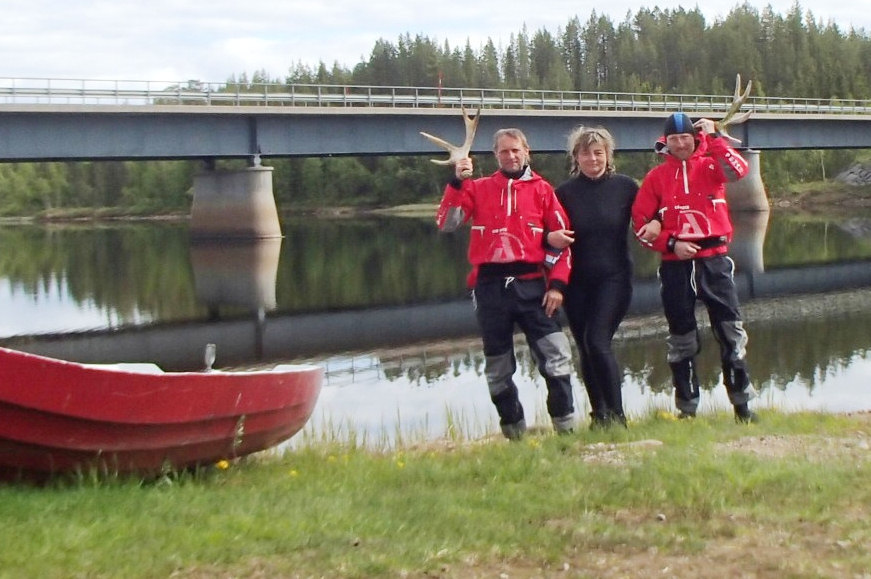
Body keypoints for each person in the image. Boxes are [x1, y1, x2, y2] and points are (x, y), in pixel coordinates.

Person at [436, 128, 578, 440]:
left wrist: (557, 286)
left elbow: (564, 243)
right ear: (495, 155)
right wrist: (457, 182)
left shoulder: (543, 190)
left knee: (556, 356)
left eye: (516, 150)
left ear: (527, 152)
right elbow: (446, 223)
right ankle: (514, 434)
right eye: (504, 151)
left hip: (533, 287)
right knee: (498, 368)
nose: (511, 156)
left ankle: (566, 432)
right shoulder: (478, 188)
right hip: (490, 289)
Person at [631, 112, 758, 423]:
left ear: (694, 137)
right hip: (676, 265)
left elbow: (738, 170)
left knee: (730, 332)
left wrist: (715, 138)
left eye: (685, 138)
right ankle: (687, 409)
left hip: (714, 260)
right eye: (674, 139)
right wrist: (671, 243)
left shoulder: (712, 165)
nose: (680, 144)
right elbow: (640, 225)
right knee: (681, 339)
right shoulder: (656, 177)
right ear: (666, 142)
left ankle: (742, 406)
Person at [548, 126, 648, 428]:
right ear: (576, 157)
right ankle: (599, 414)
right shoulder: (563, 193)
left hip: (614, 278)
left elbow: (651, 215)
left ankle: (617, 416)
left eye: (598, 153)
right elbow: (547, 235)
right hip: (576, 283)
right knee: (584, 345)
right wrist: (549, 239)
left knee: (597, 340)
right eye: (585, 153)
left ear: (608, 155)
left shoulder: (626, 187)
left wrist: (656, 226)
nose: (592, 159)